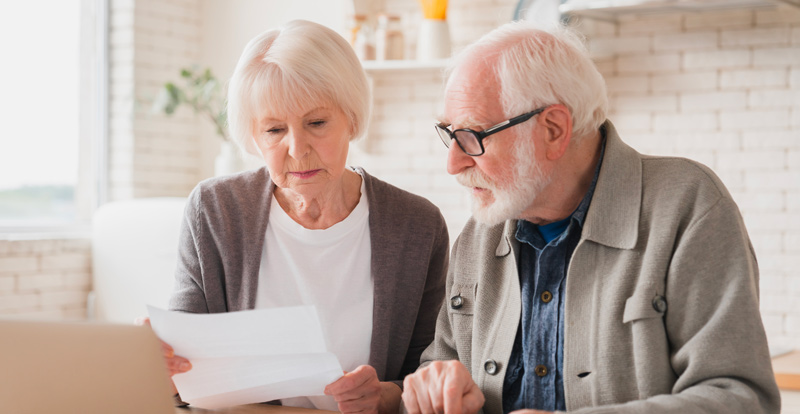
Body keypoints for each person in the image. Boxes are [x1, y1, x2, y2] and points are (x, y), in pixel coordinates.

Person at [400, 21, 781, 414]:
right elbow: (441, 364)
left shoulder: (688, 206)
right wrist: (436, 388)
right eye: (449, 133)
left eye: (473, 136)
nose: (453, 163)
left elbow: (740, 398)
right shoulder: (480, 231)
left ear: (553, 129)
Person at [153, 19, 449, 414]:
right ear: (254, 138)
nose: (297, 148)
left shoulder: (417, 225)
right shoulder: (214, 211)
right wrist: (161, 360)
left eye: (317, 123)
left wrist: (387, 395)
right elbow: (183, 368)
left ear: (352, 119)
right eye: (275, 129)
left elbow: (431, 369)